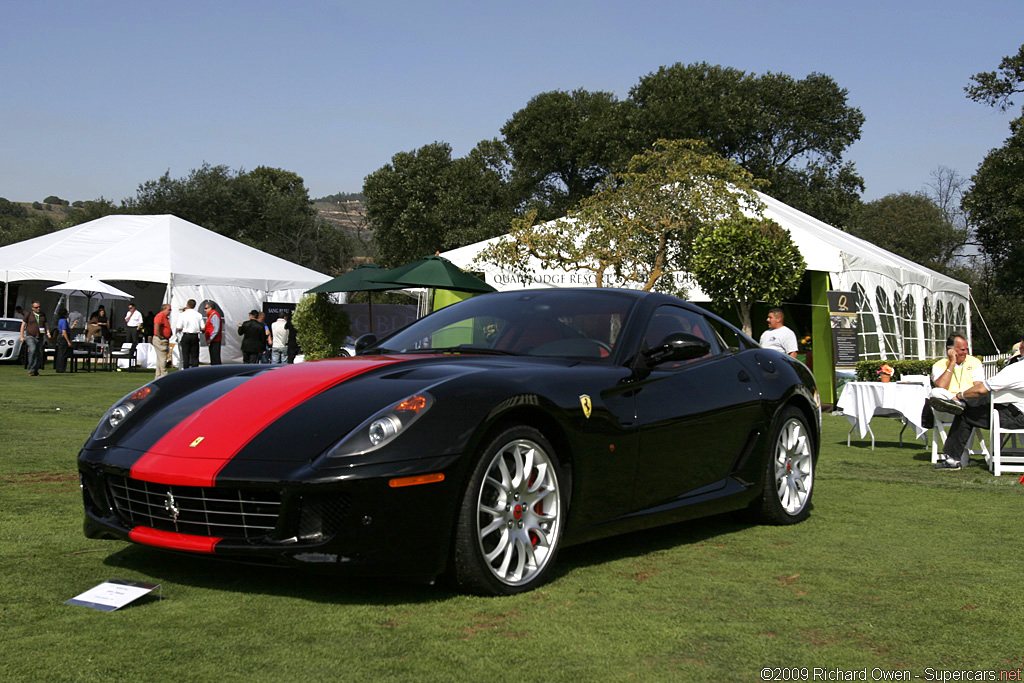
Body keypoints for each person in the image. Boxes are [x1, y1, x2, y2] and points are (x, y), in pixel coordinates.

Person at [929, 360, 1024, 471]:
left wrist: (960, 395)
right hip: (1014, 411)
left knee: (966, 412)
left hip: (1017, 417)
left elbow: (981, 389)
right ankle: (962, 404)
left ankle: (952, 460)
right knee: (983, 400)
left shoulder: (1016, 369)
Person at [20, 301, 49, 376]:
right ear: (32, 308)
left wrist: (48, 333)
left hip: (40, 336)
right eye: (36, 307)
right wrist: (22, 336)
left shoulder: (42, 315)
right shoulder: (28, 314)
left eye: (39, 307)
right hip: (30, 336)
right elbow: (23, 325)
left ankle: (35, 370)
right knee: (32, 350)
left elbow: (45, 324)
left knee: (39, 353)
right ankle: (31, 369)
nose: (38, 308)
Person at [176, 299, 204, 369]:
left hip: (186, 335)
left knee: (186, 355)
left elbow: (178, 328)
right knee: (195, 355)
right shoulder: (199, 315)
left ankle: (186, 370)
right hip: (195, 335)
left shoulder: (182, 315)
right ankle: (195, 370)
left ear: (187, 305)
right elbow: (203, 327)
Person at [152, 303, 172, 379]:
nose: (170, 311)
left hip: (163, 339)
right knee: (163, 358)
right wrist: (159, 335)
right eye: (169, 309)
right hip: (160, 340)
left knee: (160, 358)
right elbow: (156, 324)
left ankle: (158, 375)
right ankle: (164, 375)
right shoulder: (160, 316)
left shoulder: (165, 317)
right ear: (164, 309)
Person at [54, 307, 71, 373]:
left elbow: (67, 329)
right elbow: (64, 331)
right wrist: (68, 341)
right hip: (63, 337)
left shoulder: (61, 320)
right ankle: (61, 368)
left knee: (61, 353)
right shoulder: (63, 321)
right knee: (63, 353)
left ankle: (59, 368)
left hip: (61, 337)